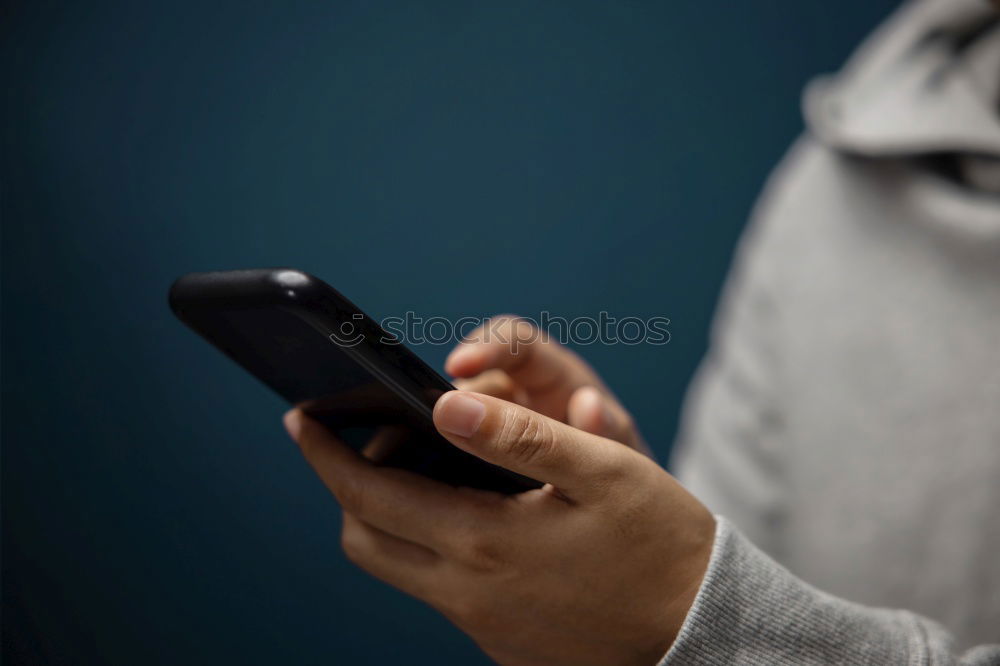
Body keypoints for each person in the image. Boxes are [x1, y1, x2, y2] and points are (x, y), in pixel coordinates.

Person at [282, 0, 1000, 662]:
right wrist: (629, 559)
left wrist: (687, 611)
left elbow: (718, 618)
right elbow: (753, 573)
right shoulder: (830, 181)